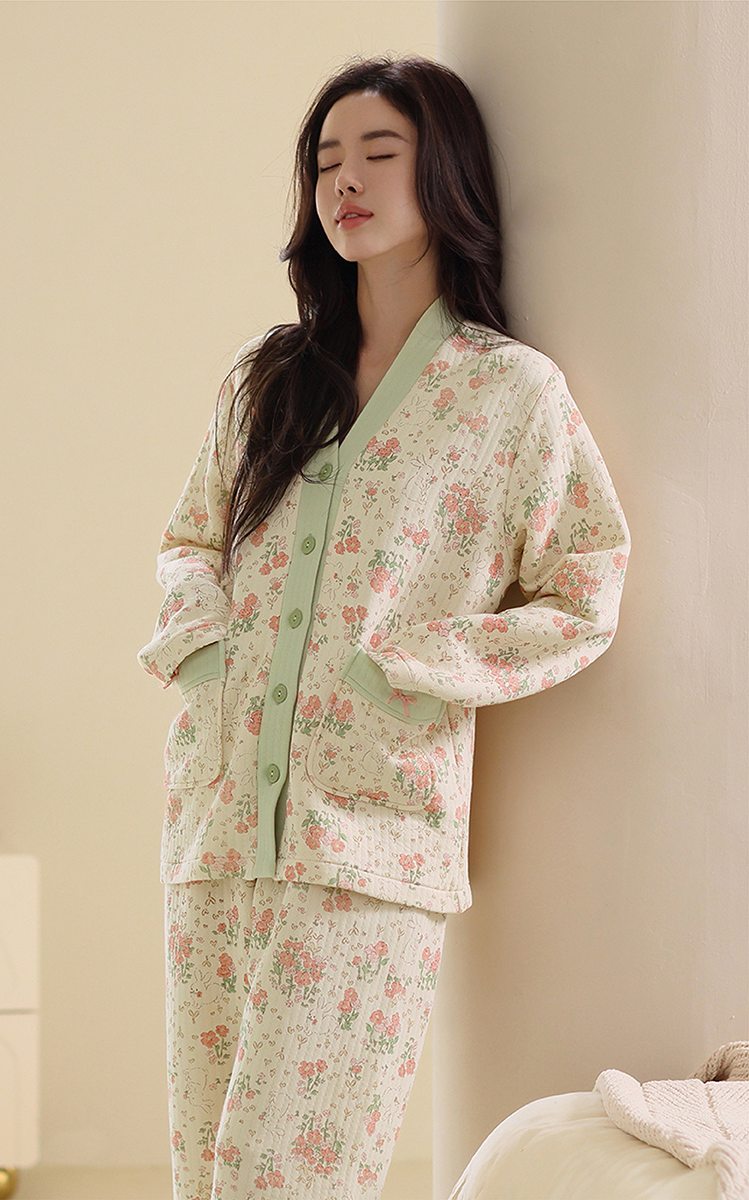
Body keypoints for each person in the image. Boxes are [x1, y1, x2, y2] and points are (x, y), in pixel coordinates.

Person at [138, 55, 630, 1200]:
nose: (343, 181)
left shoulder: (509, 394)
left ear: (443, 170)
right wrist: (203, 654)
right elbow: (189, 541)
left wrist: (416, 670)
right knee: (203, 1173)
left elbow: (586, 580)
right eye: (324, 161)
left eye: (377, 153)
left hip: (372, 843)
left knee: (288, 1176)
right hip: (216, 824)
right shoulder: (268, 378)